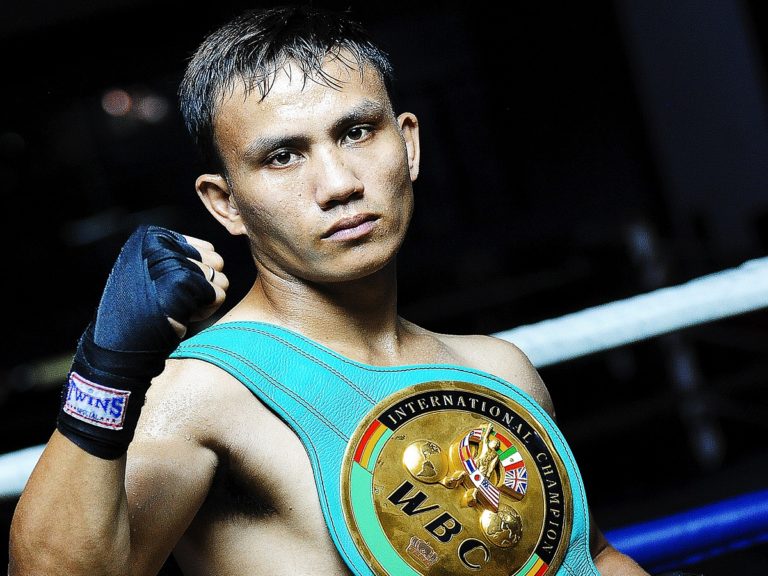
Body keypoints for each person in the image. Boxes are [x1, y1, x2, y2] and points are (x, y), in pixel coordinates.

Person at [9, 6, 650, 575]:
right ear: (225, 203)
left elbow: (588, 559)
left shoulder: (498, 368)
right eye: (283, 156)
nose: (338, 182)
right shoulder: (206, 394)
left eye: (355, 132)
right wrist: (106, 370)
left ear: (409, 143)